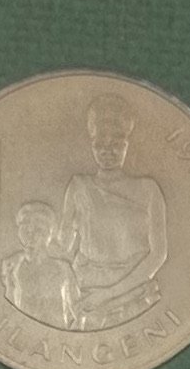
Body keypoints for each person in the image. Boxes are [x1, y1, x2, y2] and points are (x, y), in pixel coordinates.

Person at [55, 97, 168, 332]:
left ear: (127, 145)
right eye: (100, 144)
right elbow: (63, 249)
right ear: (92, 145)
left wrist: (108, 294)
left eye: (116, 143)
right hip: (86, 293)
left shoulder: (148, 190)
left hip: (135, 295)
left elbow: (158, 255)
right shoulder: (79, 186)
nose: (108, 151)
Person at [0, 200, 77, 330]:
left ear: (50, 232)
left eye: (38, 227)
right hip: (22, 330)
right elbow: (8, 306)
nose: (31, 232)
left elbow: (76, 310)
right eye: (25, 225)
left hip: (57, 332)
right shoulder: (11, 265)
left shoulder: (63, 269)